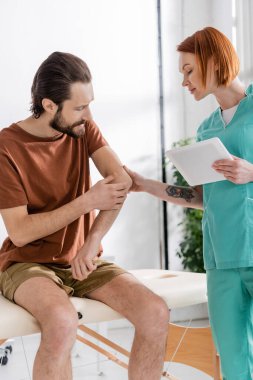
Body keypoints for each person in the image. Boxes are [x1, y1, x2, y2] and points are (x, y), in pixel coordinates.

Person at [0, 52, 169, 380]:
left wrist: (92, 241)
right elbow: (19, 232)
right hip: (27, 263)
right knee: (62, 322)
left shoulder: (82, 127)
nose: (88, 115)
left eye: (89, 104)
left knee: (155, 312)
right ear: (49, 105)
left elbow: (119, 181)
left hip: (80, 259)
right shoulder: (6, 147)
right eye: (79, 108)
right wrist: (86, 201)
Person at [125, 27, 253, 380]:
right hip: (221, 259)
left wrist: (252, 171)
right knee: (232, 360)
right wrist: (146, 185)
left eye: (188, 70)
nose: (184, 81)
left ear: (213, 61)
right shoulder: (206, 130)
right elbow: (203, 197)